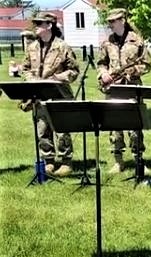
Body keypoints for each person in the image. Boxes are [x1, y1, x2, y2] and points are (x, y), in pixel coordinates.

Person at [21, 12, 80, 176]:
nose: (36, 26)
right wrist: (31, 79)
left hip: (59, 94)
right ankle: (48, 162)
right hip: (39, 94)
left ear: (49, 26)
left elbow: (74, 71)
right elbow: (24, 68)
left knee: (61, 129)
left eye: (40, 23)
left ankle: (66, 162)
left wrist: (57, 78)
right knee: (43, 130)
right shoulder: (32, 47)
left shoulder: (63, 47)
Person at [96, 8, 151, 174]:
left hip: (131, 87)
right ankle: (118, 161)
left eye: (113, 21)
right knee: (114, 127)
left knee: (135, 127)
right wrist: (103, 73)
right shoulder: (107, 41)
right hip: (112, 89)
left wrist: (130, 72)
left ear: (123, 20)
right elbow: (101, 63)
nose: (110, 24)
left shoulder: (137, 40)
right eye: (109, 22)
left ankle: (139, 159)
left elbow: (147, 65)